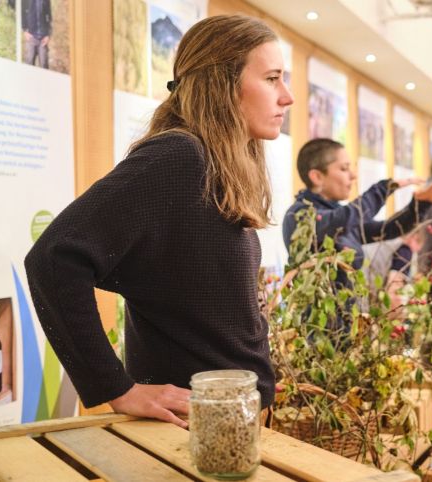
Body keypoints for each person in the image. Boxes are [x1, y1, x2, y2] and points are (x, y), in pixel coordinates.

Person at [25, 15, 294, 428]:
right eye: (273, 78)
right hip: (191, 428)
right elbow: (54, 257)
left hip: (231, 419)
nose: (287, 97)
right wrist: (116, 387)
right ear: (223, 84)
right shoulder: (179, 158)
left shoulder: (217, 167)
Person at [282, 138, 432, 289]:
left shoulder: (335, 214)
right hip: (318, 324)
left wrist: (421, 204)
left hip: (348, 319)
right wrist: (383, 189)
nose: (353, 175)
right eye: (344, 168)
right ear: (317, 177)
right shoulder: (300, 216)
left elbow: (388, 229)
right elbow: (346, 218)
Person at [22, 0, 51, 69]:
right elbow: (22, 14)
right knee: (29, 64)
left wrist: (48, 35)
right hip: (31, 37)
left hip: (43, 38)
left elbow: (49, 16)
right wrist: (25, 31)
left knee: (44, 65)